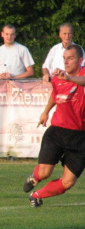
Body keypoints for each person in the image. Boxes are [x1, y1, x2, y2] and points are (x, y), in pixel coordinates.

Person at [23, 44, 85, 208]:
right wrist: (45, 112)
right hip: (57, 132)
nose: (66, 62)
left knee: (68, 182)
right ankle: (34, 177)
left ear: (80, 60)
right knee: (44, 172)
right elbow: (55, 94)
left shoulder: (82, 74)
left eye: (70, 58)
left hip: (80, 137)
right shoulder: (58, 78)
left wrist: (69, 78)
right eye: (64, 58)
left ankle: (36, 195)